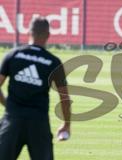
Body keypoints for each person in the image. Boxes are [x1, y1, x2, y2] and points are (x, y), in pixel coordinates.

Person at [0, 17, 71, 160]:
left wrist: (8, 106)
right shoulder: (53, 62)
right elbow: (64, 98)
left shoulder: (13, 55)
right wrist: (66, 125)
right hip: (39, 124)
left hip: (12, 122)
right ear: (48, 35)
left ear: (29, 32)